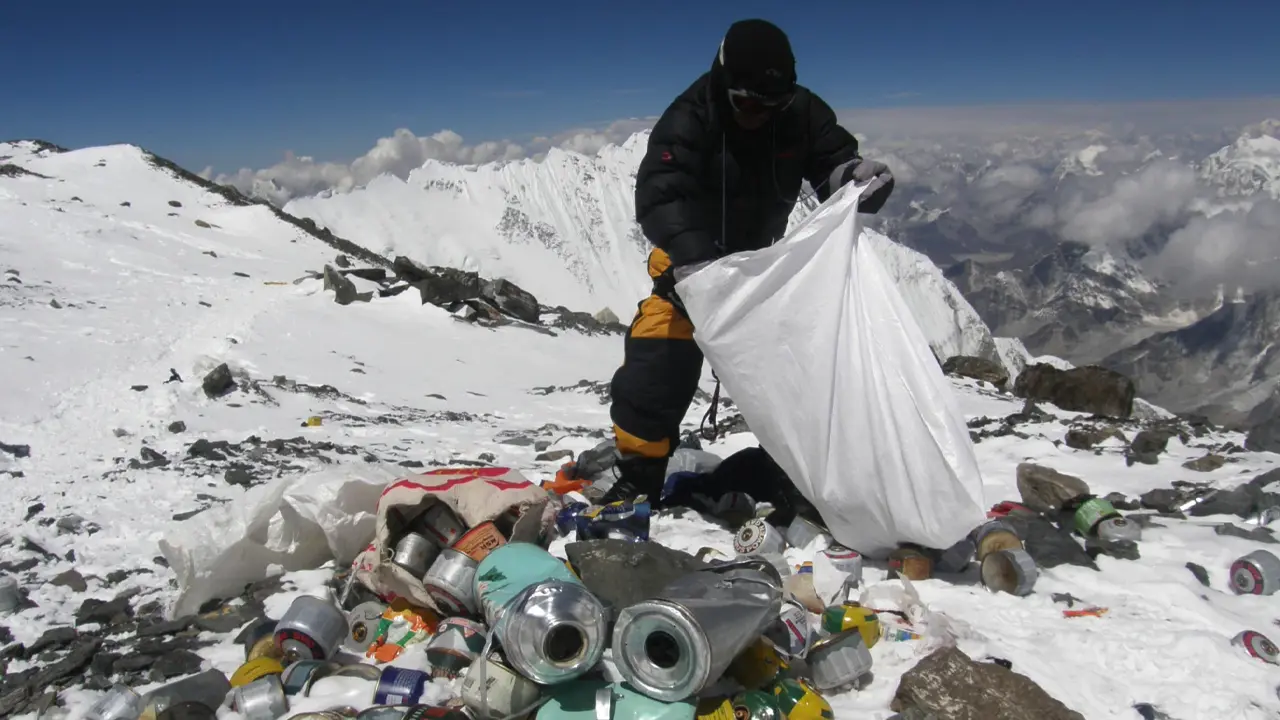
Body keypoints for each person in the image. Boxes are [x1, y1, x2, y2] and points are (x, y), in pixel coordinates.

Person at [601, 18, 895, 506]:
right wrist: (696, 263)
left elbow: (831, 163)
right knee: (655, 371)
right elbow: (659, 196)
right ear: (723, 82)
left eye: (772, 104)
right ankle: (640, 475)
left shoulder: (800, 113)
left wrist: (853, 179)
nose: (759, 114)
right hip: (688, 277)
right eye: (748, 102)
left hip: (763, 275)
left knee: (804, 374)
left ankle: (799, 474)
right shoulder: (690, 118)